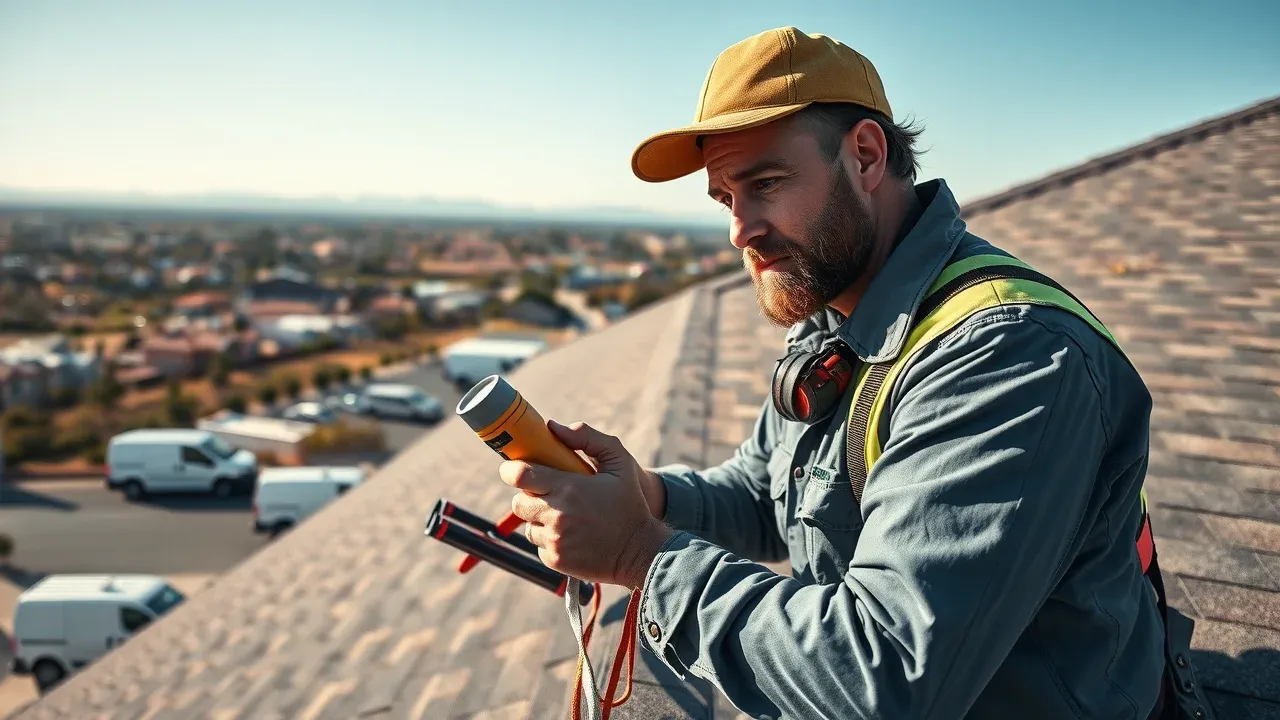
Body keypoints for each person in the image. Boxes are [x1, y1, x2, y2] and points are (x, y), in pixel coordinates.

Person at [501, 26, 1212, 720]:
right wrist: (646, 496)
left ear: (866, 157)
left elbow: (887, 679)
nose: (739, 230)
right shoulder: (835, 309)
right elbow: (762, 493)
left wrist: (640, 554)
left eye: (767, 183)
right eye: (725, 198)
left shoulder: (1008, 358)